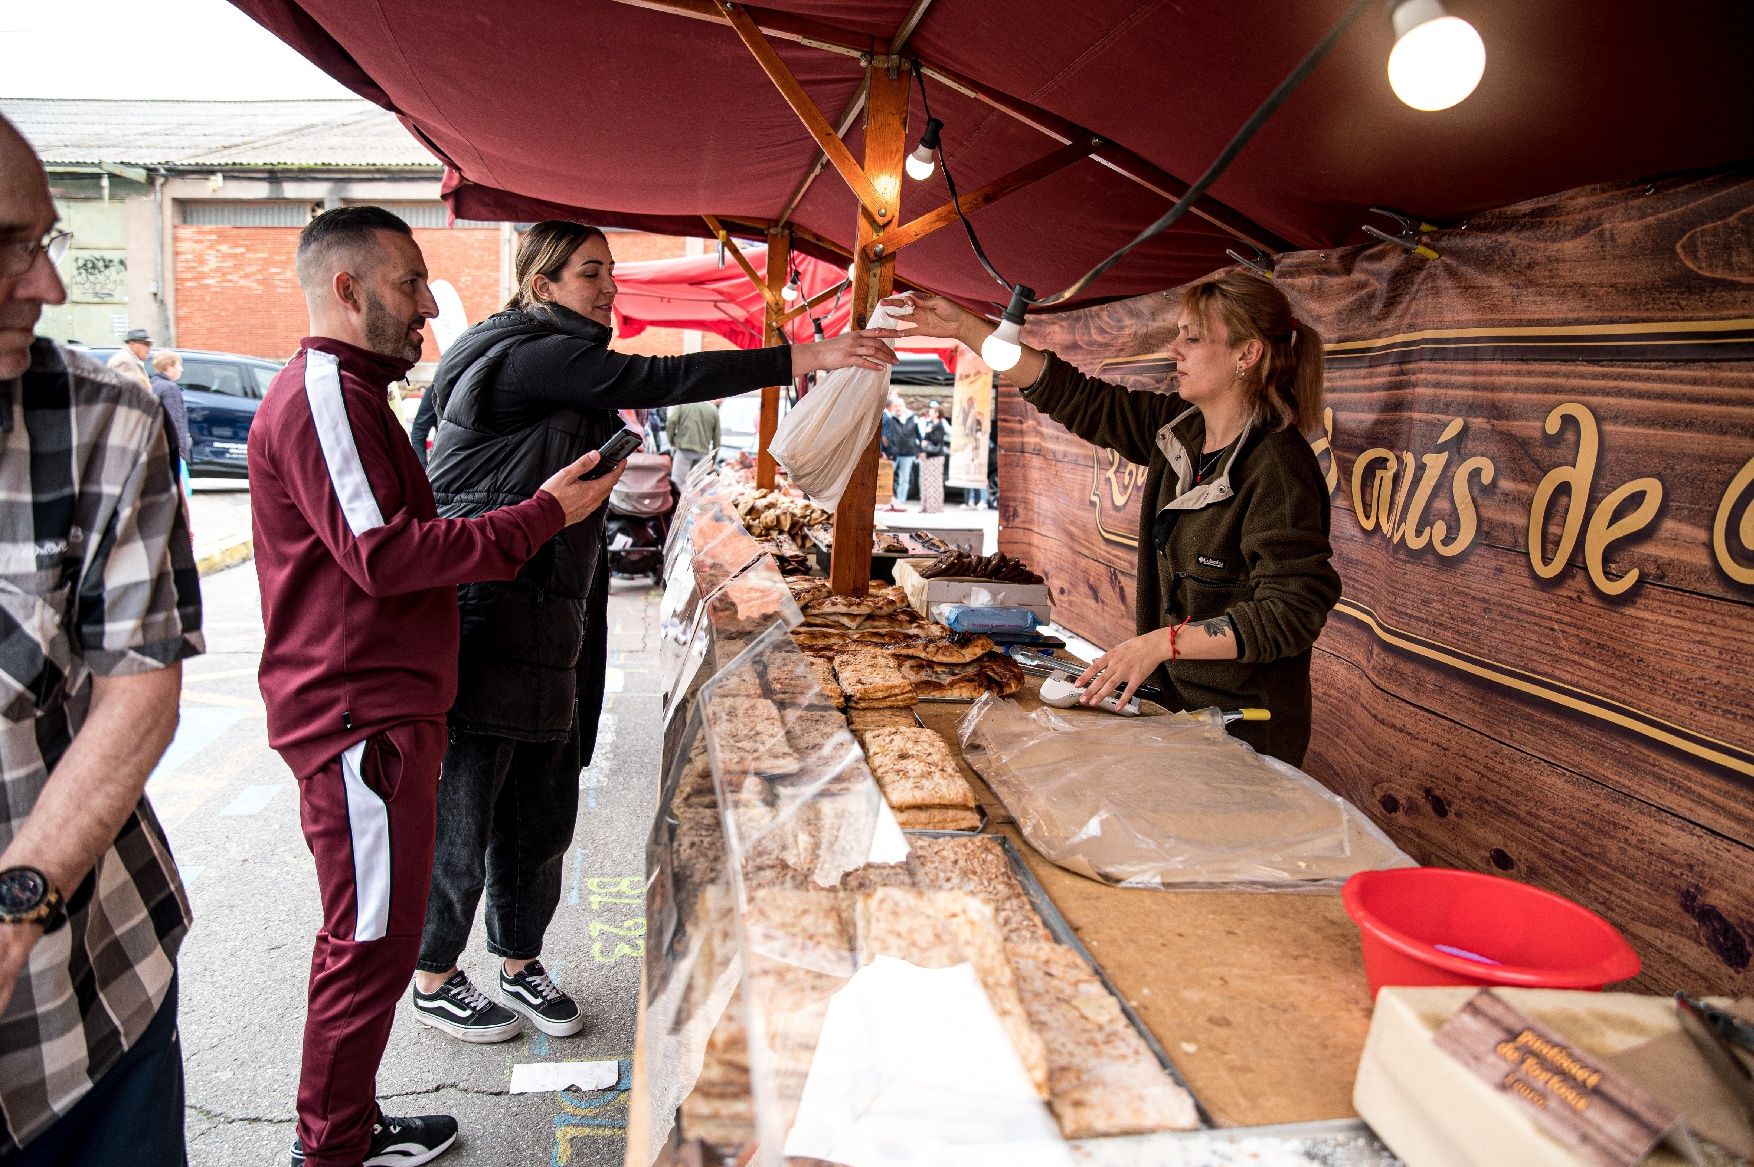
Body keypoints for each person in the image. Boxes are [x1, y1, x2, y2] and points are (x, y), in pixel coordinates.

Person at [413, 220, 900, 1043]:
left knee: (542, 808)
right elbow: (666, 375)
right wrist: (809, 356)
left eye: (611, 270)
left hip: (549, 612)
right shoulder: (532, 352)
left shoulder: (545, 357)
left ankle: (520, 961)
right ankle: (433, 973)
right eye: (590, 272)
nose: (609, 287)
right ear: (542, 286)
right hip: (490, 610)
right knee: (466, 807)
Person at [249, 206, 626, 1167]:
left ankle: (352, 1122)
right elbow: (385, 553)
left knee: (381, 935)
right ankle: (330, 1149)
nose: (426, 303)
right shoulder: (326, 392)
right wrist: (539, 515)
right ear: (347, 289)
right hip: (356, 715)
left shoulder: (359, 394)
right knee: (368, 943)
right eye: (410, 282)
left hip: (389, 708)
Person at [890, 272, 1340, 765]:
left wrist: (1162, 645)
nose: (1175, 349)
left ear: (1246, 354)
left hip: (1244, 735)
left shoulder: (1277, 466)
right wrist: (967, 329)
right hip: (1176, 716)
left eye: (1192, 336)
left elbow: (1292, 613)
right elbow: (1078, 397)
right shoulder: (1179, 431)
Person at [0, 113, 203, 1166]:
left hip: (92, 1003)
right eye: (5, 245)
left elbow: (140, 691)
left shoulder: (102, 418)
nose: (45, 286)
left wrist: (16, 903)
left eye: (45, 241)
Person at [150, 350, 193, 474]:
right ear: (169, 367)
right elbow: (175, 421)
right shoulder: (170, 388)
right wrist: (181, 451)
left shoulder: (153, 384)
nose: (181, 369)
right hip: (170, 449)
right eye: (178, 365)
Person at [665, 397, 721, 488]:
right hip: (702, 453)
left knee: (678, 484)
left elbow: (672, 421)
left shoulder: (683, 404)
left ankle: (678, 502)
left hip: (684, 449)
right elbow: (717, 438)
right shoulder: (713, 409)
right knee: (697, 488)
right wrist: (712, 460)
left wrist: (671, 440)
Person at [880, 394, 920, 507]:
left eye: (900, 405)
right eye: (896, 405)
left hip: (908, 452)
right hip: (894, 452)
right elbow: (886, 435)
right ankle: (889, 499)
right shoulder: (890, 417)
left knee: (904, 478)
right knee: (888, 477)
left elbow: (918, 434)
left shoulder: (912, 417)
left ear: (904, 406)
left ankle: (901, 500)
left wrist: (918, 450)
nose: (898, 408)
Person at [918, 402, 949, 513]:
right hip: (928, 455)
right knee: (926, 481)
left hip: (936, 456)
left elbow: (937, 440)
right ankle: (925, 506)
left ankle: (935, 507)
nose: (930, 412)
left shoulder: (940, 425)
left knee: (935, 482)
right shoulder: (929, 423)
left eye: (932, 411)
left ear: (937, 413)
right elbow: (925, 438)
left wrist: (929, 433)